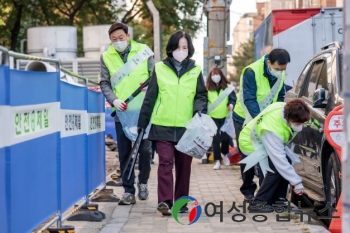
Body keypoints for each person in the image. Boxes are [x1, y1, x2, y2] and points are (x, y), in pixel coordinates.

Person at [137, 30, 207, 216]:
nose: (181, 50)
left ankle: (181, 203)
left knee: (184, 167)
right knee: (165, 163)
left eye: (184, 47)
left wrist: (199, 111)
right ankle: (165, 202)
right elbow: (150, 98)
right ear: (171, 48)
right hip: (163, 125)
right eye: (177, 47)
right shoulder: (159, 68)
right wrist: (142, 123)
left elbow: (201, 95)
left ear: (189, 49)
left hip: (187, 128)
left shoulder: (195, 69)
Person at [100, 22, 154, 205]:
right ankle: (128, 190)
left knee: (145, 150)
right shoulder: (106, 56)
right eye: (114, 39)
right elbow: (104, 83)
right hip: (121, 111)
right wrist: (114, 100)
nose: (118, 42)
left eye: (120, 38)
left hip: (142, 111)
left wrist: (149, 91)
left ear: (128, 36)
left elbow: (154, 76)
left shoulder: (143, 51)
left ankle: (144, 182)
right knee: (124, 152)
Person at [232, 48, 291, 201]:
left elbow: (279, 95)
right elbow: (249, 99)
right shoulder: (251, 71)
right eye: (277, 69)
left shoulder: (280, 72)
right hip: (244, 116)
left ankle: (264, 191)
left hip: (265, 117)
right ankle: (248, 189)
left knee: (266, 152)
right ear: (269, 62)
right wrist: (260, 120)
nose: (280, 72)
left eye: (283, 69)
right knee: (249, 151)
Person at [238, 99, 310, 212]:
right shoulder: (272, 130)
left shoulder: (283, 108)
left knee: (286, 162)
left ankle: (278, 200)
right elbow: (279, 161)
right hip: (251, 143)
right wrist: (296, 182)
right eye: (298, 123)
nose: (300, 126)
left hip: (261, 139)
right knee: (275, 168)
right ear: (289, 118)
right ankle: (259, 203)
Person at [206, 67, 236, 170]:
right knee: (215, 139)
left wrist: (231, 104)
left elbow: (233, 99)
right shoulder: (207, 88)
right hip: (212, 117)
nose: (215, 77)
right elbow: (204, 101)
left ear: (221, 75)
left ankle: (225, 154)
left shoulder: (227, 87)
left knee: (225, 138)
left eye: (217, 74)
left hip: (225, 117)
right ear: (210, 77)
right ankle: (217, 161)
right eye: (213, 75)